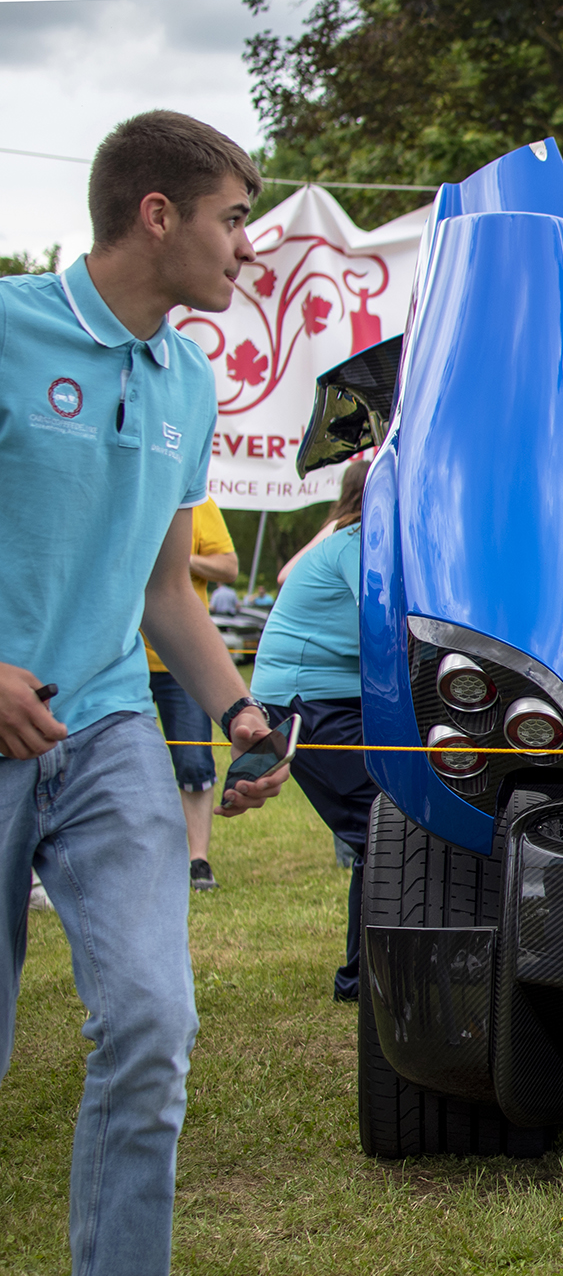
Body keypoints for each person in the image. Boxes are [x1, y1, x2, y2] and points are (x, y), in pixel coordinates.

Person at [1, 110, 286, 1276]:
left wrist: (240, 712)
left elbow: (168, 589)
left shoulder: (191, 380)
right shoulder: (8, 331)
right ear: (156, 215)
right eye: (234, 219)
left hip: (111, 723)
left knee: (155, 1024)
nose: (247, 248)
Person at [251, 461, 371, 1002]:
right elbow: (386, 619)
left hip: (336, 697)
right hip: (306, 698)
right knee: (389, 826)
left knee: (393, 826)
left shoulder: (358, 536)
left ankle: (365, 977)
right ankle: (362, 982)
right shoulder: (359, 543)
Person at [142, 495, 237, 890]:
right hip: (114, 659)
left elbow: (228, 567)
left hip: (176, 662)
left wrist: (179, 562)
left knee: (195, 762)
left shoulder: (197, 503)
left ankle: (197, 860)